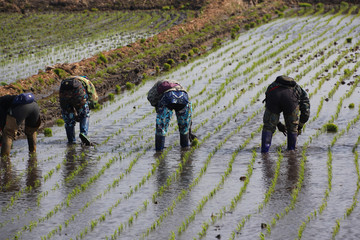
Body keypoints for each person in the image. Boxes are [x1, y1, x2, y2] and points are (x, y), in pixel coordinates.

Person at [261, 75, 310, 153]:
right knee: (292, 128)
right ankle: (291, 152)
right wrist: (299, 126)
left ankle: (264, 152)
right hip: (290, 99)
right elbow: (306, 110)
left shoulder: (272, 86)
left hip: (274, 95)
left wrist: (279, 125)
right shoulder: (297, 88)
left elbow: (269, 107)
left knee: (268, 127)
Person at [147, 79, 194, 151]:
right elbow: (188, 114)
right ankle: (185, 149)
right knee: (184, 128)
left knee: (161, 127)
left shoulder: (157, 85)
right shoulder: (178, 85)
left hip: (168, 97)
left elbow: (150, 97)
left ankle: (159, 151)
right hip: (183, 97)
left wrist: (158, 108)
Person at [59, 76, 98, 145]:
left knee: (68, 118)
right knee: (84, 114)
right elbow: (94, 100)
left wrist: (74, 114)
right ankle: (83, 133)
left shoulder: (69, 79)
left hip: (63, 91)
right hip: (77, 91)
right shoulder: (88, 83)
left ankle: (71, 140)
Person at [0, 93, 41, 157]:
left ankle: (4, 160)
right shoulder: (5, 99)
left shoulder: (1, 105)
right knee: (31, 131)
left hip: (22, 109)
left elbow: (3, 121)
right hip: (35, 106)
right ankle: (33, 153)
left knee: (8, 134)